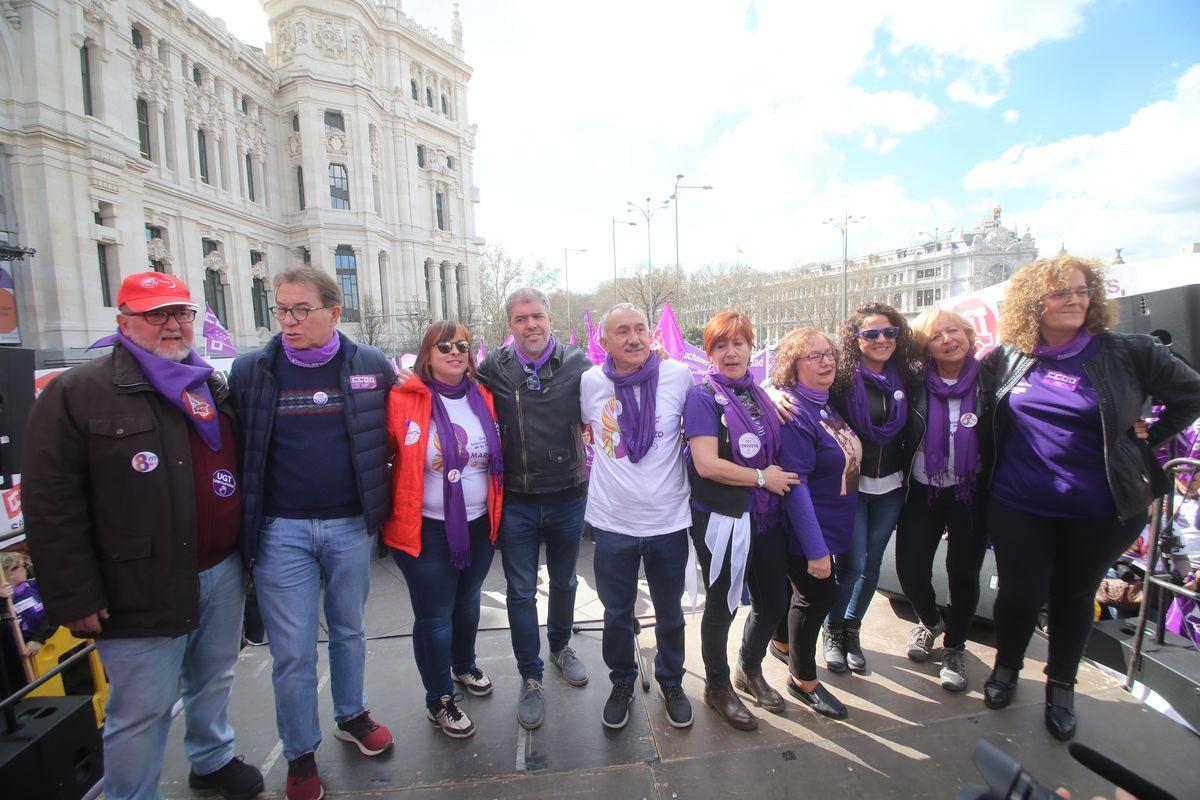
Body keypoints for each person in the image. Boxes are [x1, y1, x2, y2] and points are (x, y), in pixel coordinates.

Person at [22, 272, 262, 800]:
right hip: (136, 582)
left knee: (215, 678)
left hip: (220, 570)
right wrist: (75, 595)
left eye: (181, 313)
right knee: (141, 710)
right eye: (157, 314)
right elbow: (50, 506)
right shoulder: (78, 391)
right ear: (123, 321)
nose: (172, 324)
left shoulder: (209, 384)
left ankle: (212, 756)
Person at [981, 254, 1200, 741]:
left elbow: (1192, 393)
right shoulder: (1008, 357)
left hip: (1102, 508)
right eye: (1061, 292)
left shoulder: (1129, 351)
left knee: (1074, 595)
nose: (1075, 300)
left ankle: (1061, 685)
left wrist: (1149, 439)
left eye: (1082, 291)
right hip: (1019, 503)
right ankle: (1006, 670)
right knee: (1019, 594)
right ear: (1033, 304)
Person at [229, 267, 395, 800]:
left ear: (334, 312)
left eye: (301, 310)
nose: (288, 321)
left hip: (351, 527)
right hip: (282, 533)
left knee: (349, 631)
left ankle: (352, 714)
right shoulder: (251, 370)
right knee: (294, 651)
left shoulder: (371, 365)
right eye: (280, 309)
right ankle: (300, 754)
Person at [475, 288, 590, 730]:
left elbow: (624, 388)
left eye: (537, 316)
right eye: (521, 319)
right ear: (510, 326)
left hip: (567, 494)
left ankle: (560, 647)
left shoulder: (579, 364)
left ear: (550, 319)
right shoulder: (494, 368)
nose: (531, 325)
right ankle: (531, 676)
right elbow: (447, 390)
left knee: (563, 582)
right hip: (518, 501)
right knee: (520, 593)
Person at [383, 321, 502, 739]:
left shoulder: (482, 396)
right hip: (425, 530)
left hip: (478, 523)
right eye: (445, 346)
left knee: (468, 601)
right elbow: (382, 454)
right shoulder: (402, 398)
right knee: (434, 615)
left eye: (463, 346)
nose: (455, 352)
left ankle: (463, 664)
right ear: (427, 354)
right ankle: (439, 698)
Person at [683, 312, 798, 730]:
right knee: (722, 605)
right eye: (720, 345)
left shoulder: (763, 393)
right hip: (722, 520)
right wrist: (763, 478)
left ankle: (748, 669)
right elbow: (707, 464)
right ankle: (717, 687)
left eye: (739, 343)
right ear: (709, 353)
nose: (731, 353)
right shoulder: (702, 397)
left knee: (773, 602)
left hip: (765, 518)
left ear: (752, 347)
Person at [582, 303, 694, 730]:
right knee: (615, 613)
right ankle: (622, 681)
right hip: (613, 523)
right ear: (604, 341)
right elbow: (579, 426)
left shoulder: (678, 377)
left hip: (668, 521)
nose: (633, 338)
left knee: (670, 612)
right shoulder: (590, 383)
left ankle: (671, 680)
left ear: (651, 333)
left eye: (640, 328)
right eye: (622, 331)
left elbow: (719, 399)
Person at [895, 309, 994, 692]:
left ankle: (954, 645)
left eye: (953, 331)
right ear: (926, 346)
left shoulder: (991, 378)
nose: (947, 339)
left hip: (971, 491)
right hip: (924, 488)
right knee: (910, 569)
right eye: (936, 336)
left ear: (968, 336)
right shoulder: (914, 380)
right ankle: (930, 621)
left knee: (963, 572)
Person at [772, 327, 861, 719]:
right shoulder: (795, 412)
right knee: (817, 597)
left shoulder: (824, 402)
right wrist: (816, 549)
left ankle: (783, 644)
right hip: (809, 528)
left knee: (800, 596)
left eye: (829, 354)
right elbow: (796, 487)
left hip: (834, 521)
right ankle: (803, 680)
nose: (827, 361)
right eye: (814, 356)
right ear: (793, 366)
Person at [825, 303, 916, 674]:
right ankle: (833, 629)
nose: (882, 340)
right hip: (853, 487)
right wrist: (777, 393)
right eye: (871, 333)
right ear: (855, 338)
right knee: (851, 565)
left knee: (873, 565)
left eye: (889, 332)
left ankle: (852, 629)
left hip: (892, 486)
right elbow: (794, 385)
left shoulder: (908, 378)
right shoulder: (842, 378)